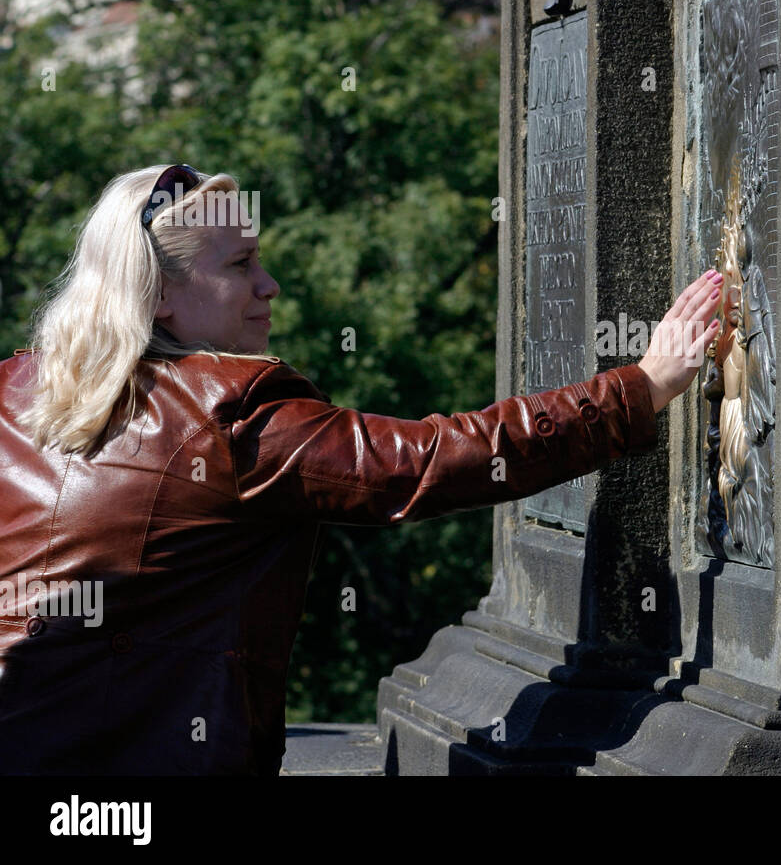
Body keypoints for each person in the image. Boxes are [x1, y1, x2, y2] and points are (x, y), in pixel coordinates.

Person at [0, 164, 723, 775]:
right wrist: (641, 387)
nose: (270, 285)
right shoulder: (229, 414)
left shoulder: (13, 392)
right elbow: (430, 462)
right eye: (240, 265)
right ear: (159, 296)